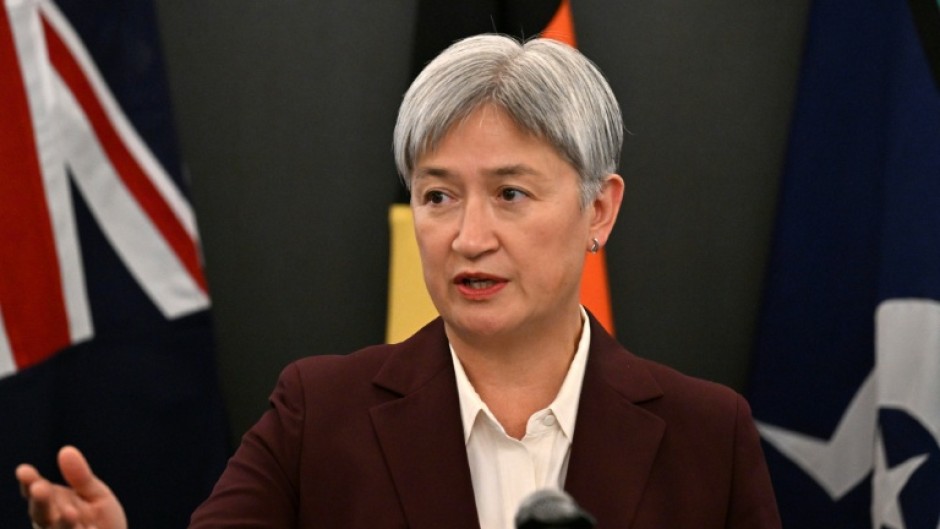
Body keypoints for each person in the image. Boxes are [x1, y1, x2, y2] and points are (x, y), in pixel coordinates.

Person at [16, 34, 781, 529]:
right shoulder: (318, 415)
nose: (468, 236)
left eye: (510, 194)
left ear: (599, 210)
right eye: (437, 195)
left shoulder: (708, 437)